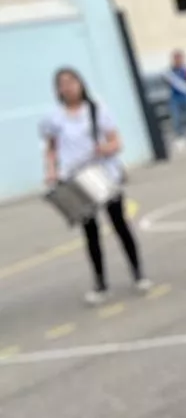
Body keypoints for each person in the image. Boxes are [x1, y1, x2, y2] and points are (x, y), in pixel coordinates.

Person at [41, 67, 150, 305]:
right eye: (63, 83)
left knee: (119, 223)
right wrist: (51, 171)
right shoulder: (54, 118)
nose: (68, 87)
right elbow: (51, 148)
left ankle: (138, 272)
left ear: (81, 83)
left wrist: (107, 148)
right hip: (76, 178)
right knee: (90, 232)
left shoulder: (96, 109)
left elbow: (115, 140)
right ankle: (100, 283)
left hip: (103, 174)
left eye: (72, 81)